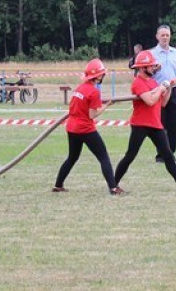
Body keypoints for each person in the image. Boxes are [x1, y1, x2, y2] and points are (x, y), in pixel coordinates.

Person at [113, 49, 176, 193]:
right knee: (130, 156)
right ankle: (113, 185)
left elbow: (162, 103)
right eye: (151, 66)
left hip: (155, 124)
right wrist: (161, 88)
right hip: (140, 125)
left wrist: (168, 88)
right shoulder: (138, 83)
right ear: (143, 68)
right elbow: (150, 100)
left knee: (168, 155)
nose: (153, 68)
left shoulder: (153, 82)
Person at [53, 58, 124, 196]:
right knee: (103, 157)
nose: (103, 76)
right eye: (102, 74)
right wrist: (106, 106)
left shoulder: (79, 88)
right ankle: (113, 188)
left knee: (72, 158)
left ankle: (58, 185)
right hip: (85, 129)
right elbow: (92, 114)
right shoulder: (94, 91)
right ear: (97, 75)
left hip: (72, 128)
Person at [149, 24, 176, 156]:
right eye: (162, 35)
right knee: (160, 125)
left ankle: (171, 153)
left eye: (167, 35)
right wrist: (154, 70)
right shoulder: (151, 54)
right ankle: (161, 154)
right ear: (157, 37)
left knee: (173, 125)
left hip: (173, 91)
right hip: (158, 92)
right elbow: (146, 74)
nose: (165, 37)